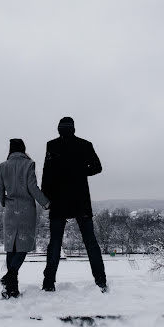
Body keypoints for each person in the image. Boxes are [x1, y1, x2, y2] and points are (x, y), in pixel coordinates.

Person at [41, 117, 108, 292]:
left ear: (59, 129)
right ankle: (101, 281)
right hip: (81, 201)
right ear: (73, 129)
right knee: (90, 242)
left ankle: (48, 282)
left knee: (55, 243)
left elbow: (46, 173)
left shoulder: (52, 145)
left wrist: (45, 199)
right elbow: (97, 167)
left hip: (58, 201)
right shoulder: (85, 145)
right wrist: (80, 171)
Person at [0, 138, 50, 298]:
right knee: (24, 246)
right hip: (26, 210)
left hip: (10, 210)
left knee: (11, 247)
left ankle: (11, 289)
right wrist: (45, 203)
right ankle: (10, 277)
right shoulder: (29, 164)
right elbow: (32, 187)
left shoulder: (3, 166)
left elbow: (0, 187)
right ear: (23, 149)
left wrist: (4, 202)